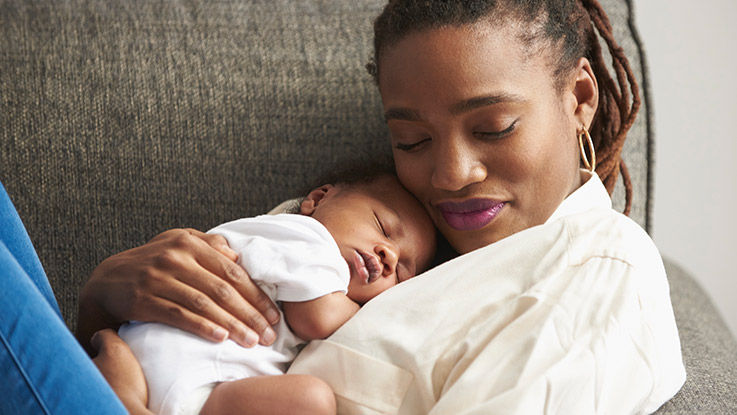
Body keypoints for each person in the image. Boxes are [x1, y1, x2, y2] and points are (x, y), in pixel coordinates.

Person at [1, 0, 686, 413]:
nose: (449, 174)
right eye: (410, 140)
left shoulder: (593, 269)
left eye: (493, 127)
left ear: (579, 100)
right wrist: (104, 297)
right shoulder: (378, 221)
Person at [114, 172, 436, 415]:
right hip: (190, 371)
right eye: (382, 226)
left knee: (112, 354)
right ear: (319, 199)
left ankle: (123, 395)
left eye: (404, 271)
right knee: (314, 400)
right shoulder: (306, 236)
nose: (389, 255)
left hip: (153, 359)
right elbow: (315, 318)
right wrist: (378, 313)